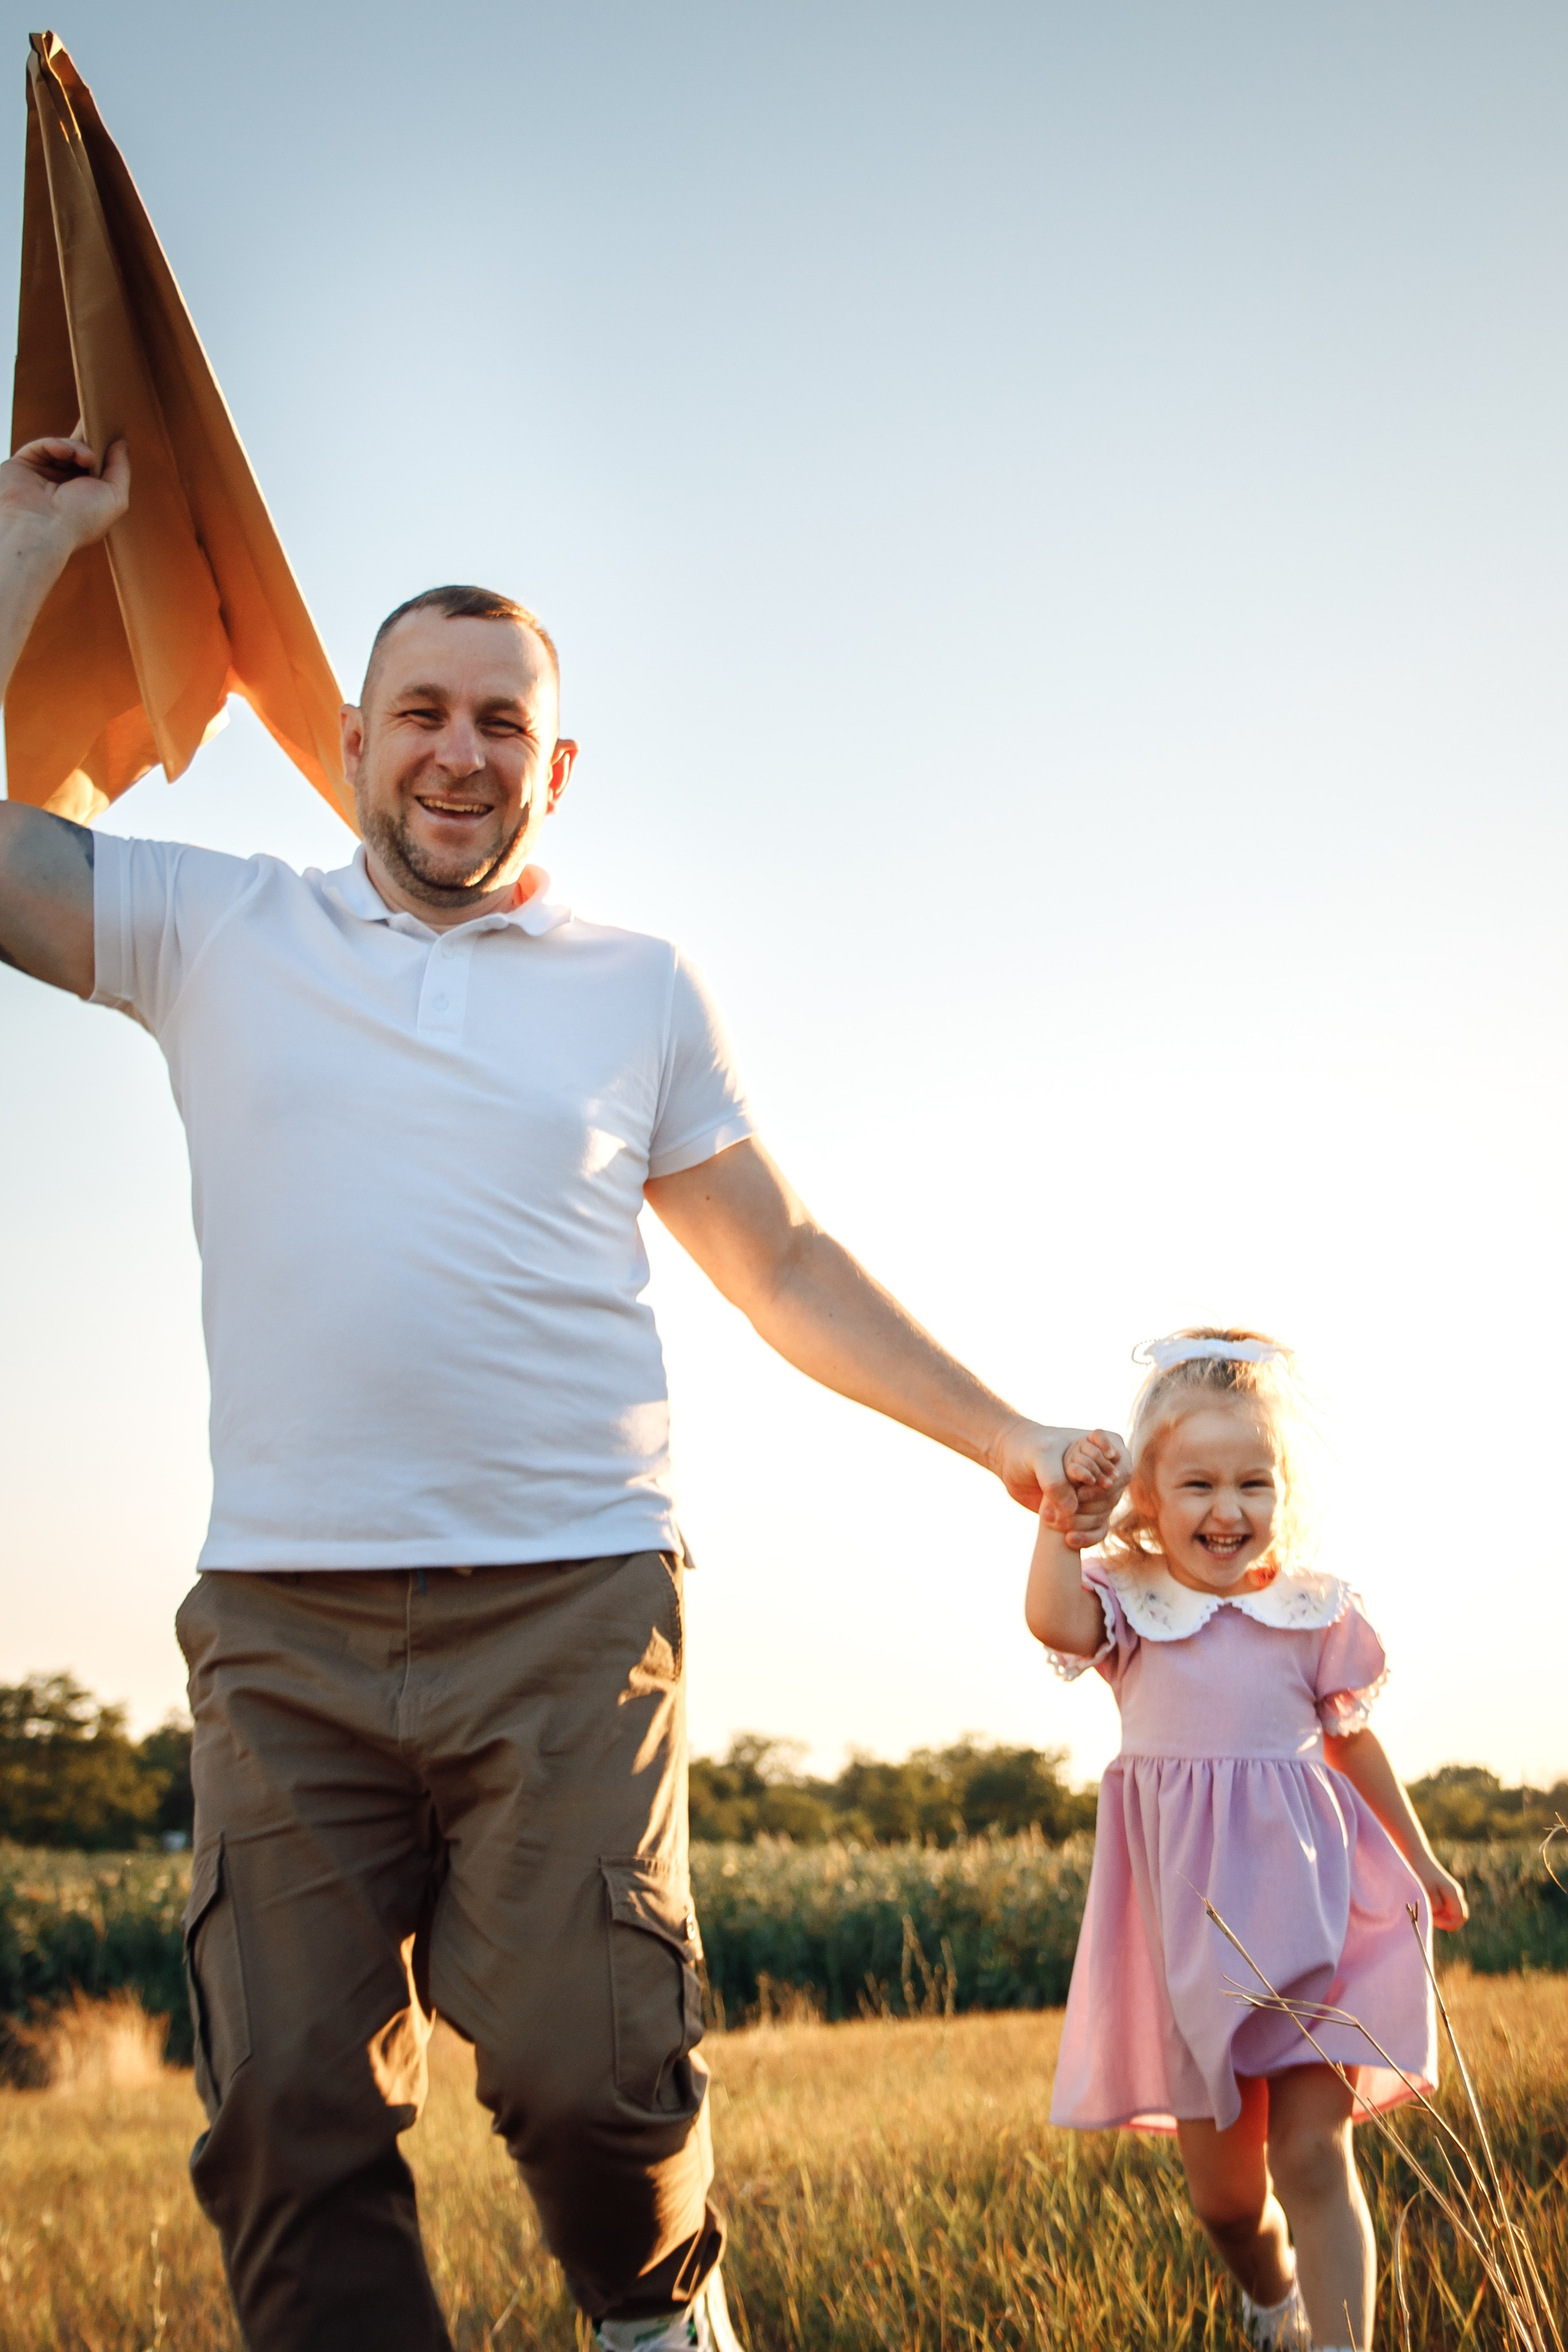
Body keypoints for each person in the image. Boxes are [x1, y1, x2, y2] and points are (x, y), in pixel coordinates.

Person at [0, 428, 1123, 2352]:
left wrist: (1005, 1438)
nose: (459, 753)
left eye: (501, 721)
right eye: (419, 715)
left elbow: (781, 1259)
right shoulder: (211, 930)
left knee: (594, 2070)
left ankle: (655, 2310)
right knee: (287, 2113)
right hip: (283, 1622)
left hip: (575, 1599)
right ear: (349, 743)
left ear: (558, 762)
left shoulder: (639, 984)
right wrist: (30, 541)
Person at [1023, 1329, 1467, 2352]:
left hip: (1316, 1917)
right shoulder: (1133, 1606)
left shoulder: (1310, 1611)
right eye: (1198, 1485)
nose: (1228, 1510)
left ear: (1282, 1492)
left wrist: (1423, 1856)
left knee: (1313, 2157)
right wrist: (1059, 1522)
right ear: (1148, 1493)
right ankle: (1274, 2303)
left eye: (1253, 1483)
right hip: (1193, 1938)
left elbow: (1352, 1742)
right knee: (1227, 2201)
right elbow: (1053, 1620)